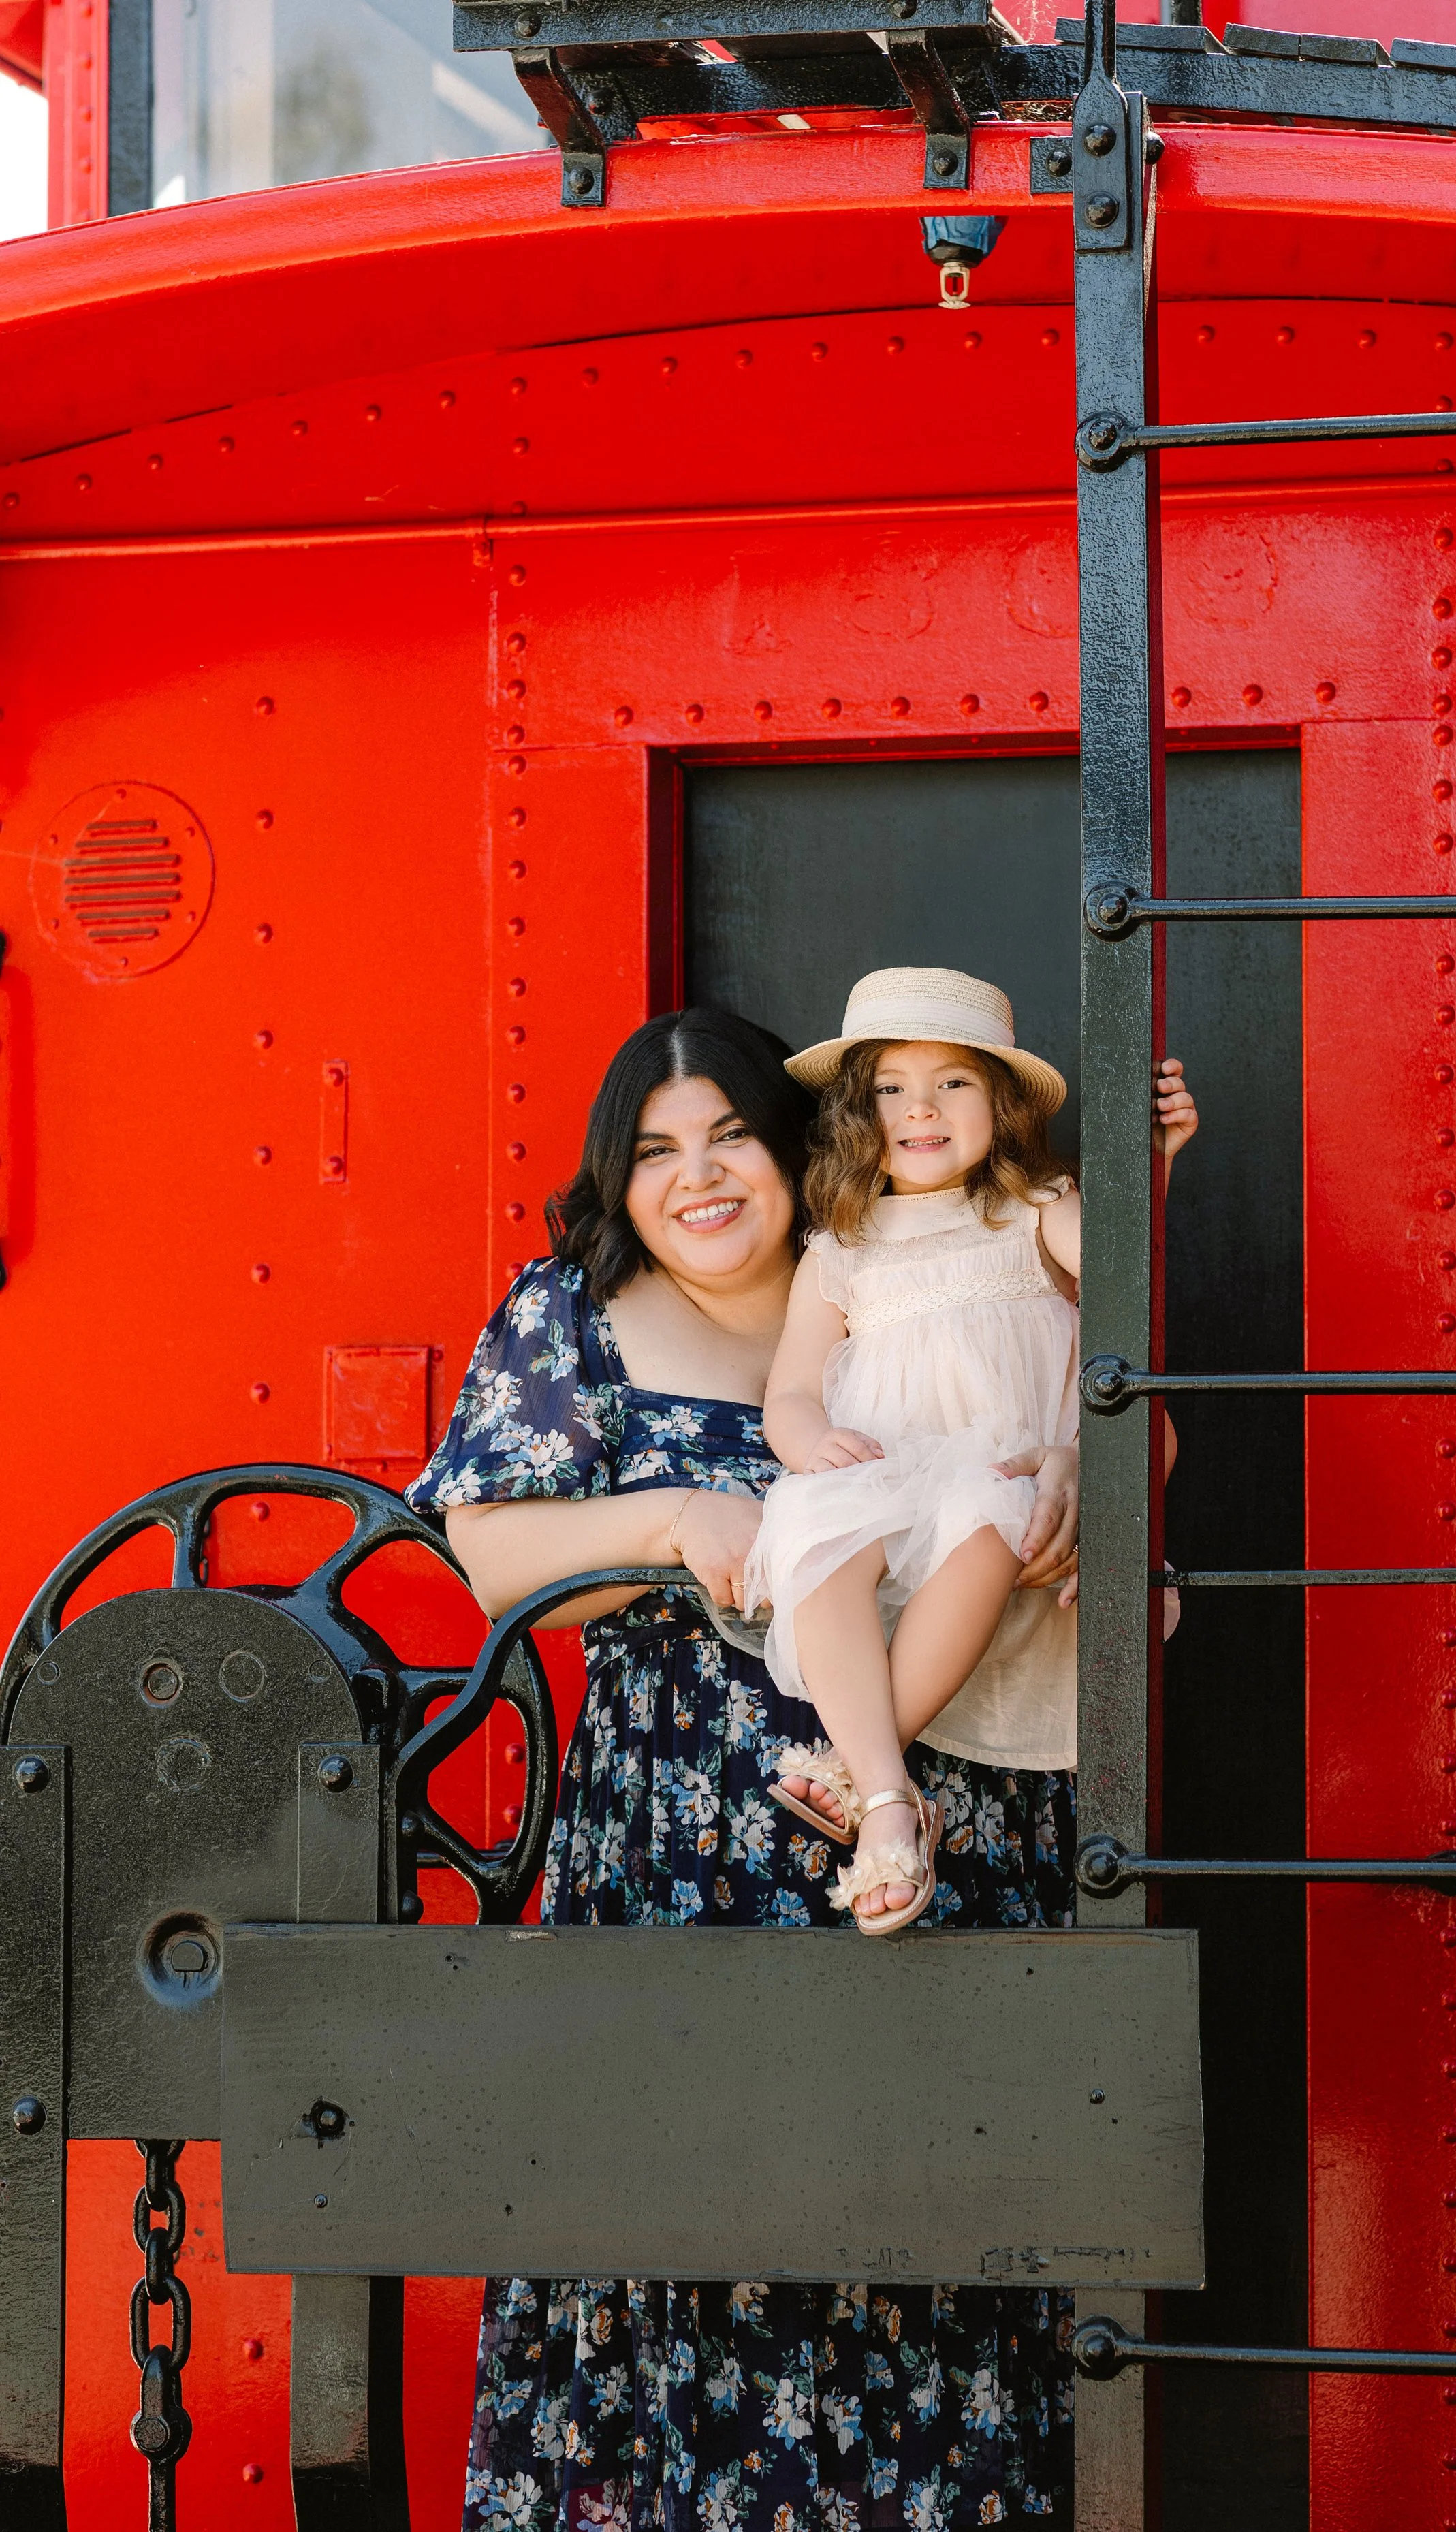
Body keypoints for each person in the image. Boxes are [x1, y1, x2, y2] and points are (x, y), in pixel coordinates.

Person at [408, 1004, 1083, 2532]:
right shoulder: (572, 1307)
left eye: (727, 1136)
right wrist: (664, 1521)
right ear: (616, 1178)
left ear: (793, 1153)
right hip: (672, 1838)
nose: (696, 1176)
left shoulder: (904, 1275)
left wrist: (1071, 1475)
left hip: (941, 1807)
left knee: (931, 2223)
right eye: (653, 1150)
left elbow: (1065, 1416)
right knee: (673, 2216)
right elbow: (487, 1556)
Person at [746, 968, 1196, 1935]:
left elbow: (1130, 1282)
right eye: (891, 1087)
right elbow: (788, 1386)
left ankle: (871, 1789)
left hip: (997, 1480)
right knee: (813, 1528)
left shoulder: (1037, 1209)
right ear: (858, 1113)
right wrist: (810, 1437)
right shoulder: (841, 1247)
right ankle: (890, 1794)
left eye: (952, 1081)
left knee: (993, 1508)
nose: (921, 1108)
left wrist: (1152, 1164)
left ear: (998, 1103)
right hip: (882, 1475)